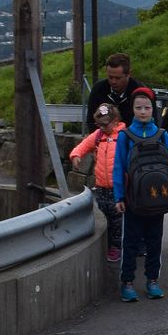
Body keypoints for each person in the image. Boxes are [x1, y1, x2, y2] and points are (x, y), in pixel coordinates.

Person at [110, 87, 168, 302]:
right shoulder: (125, 135)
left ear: (153, 109)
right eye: (138, 107)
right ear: (132, 109)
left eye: (147, 108)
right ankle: (127, 282)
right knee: (130, 243)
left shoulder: (162, 134)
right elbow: (118, 167)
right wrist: (119, 197)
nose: (143, 112)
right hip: (133, 200)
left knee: (154, 242)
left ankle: (152, 280)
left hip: (157, 199)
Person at [69, 103, 124, 262]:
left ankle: (116, 246)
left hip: (118, 187)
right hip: (101, 186)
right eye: (99, 124)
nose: (102, 127)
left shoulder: (123, 136)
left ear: (116, 121)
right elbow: (84, 145)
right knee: (103, 215)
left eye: (105, 124)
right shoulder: (98, 135)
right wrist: (76, 155)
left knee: (117, 219)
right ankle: (106, 244)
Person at [84, 53, 144, 129]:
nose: (113, 81)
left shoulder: (140, 92)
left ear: (128, 74)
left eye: (118, 78)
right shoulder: (98, 89)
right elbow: (91, 120)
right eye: (110, 77)